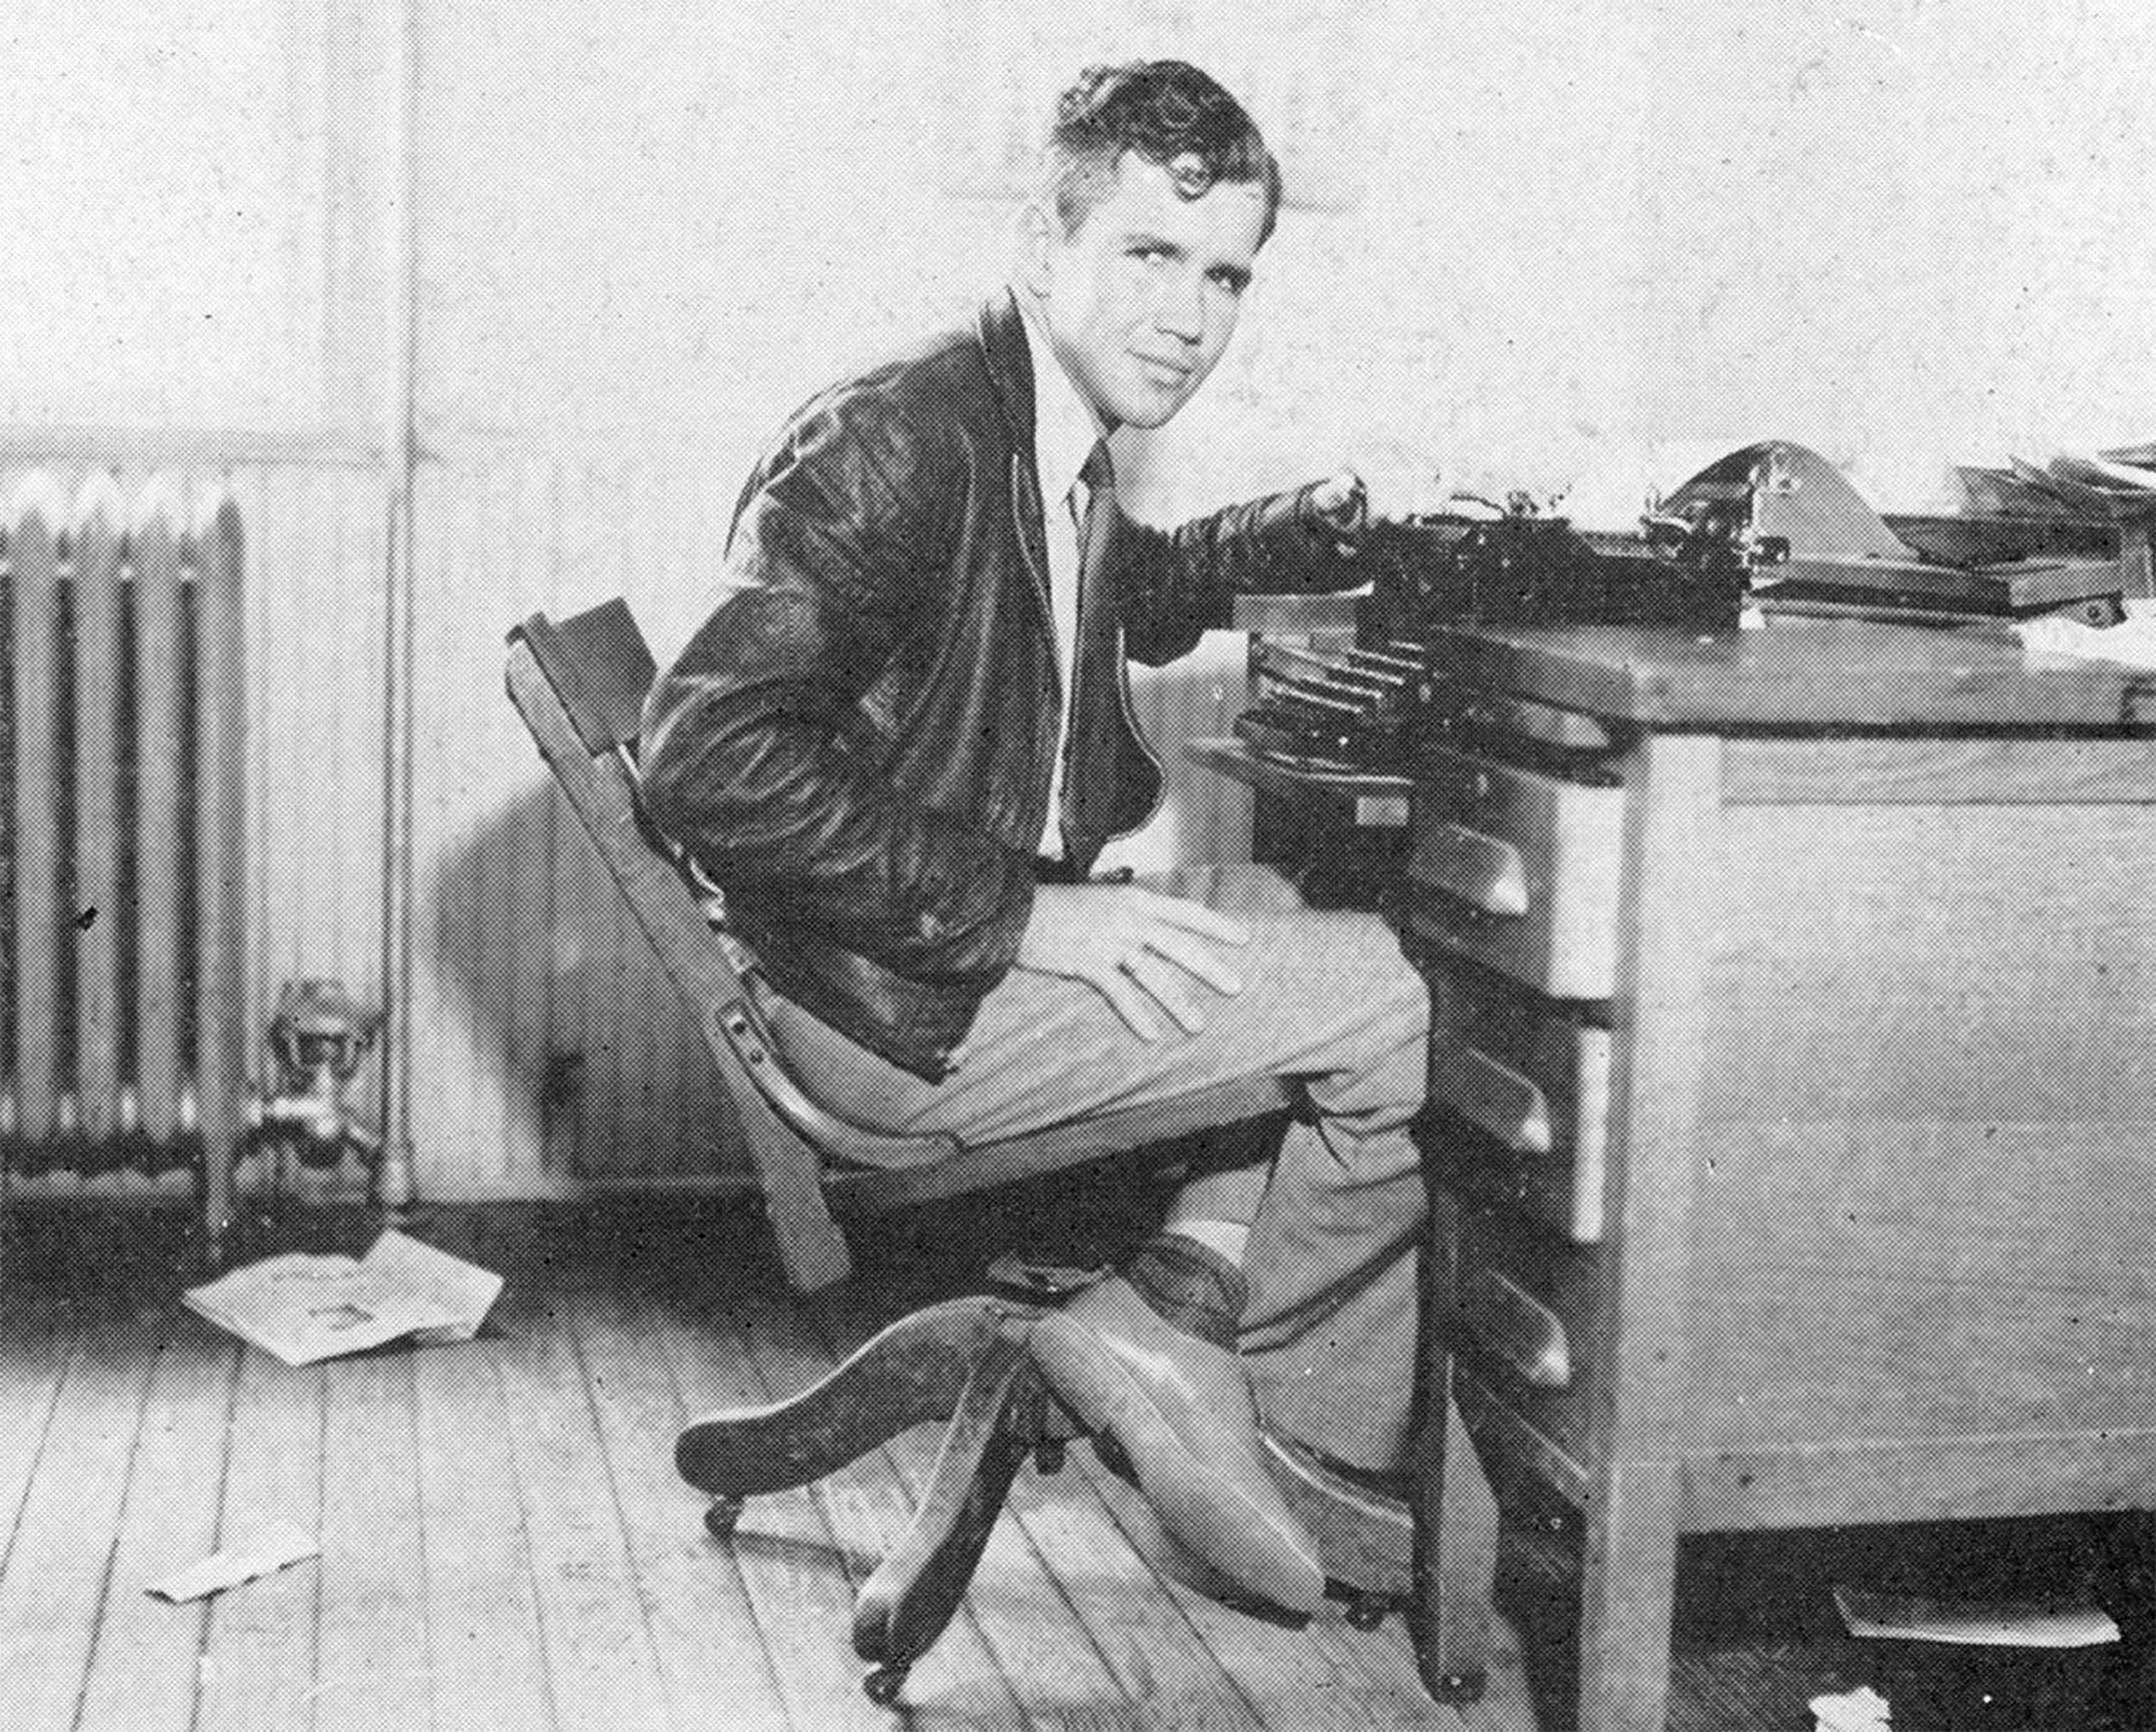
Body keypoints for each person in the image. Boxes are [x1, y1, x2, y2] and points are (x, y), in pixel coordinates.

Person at [638, 59, 1430, 1618]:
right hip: (895, 1008)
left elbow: (1072, 596)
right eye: (1149, 256)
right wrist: (1028, 918)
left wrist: (1268, 541)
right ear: (1042, 243)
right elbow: (706, 749)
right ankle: (1289, 1445)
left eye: (1224, 276)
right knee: (1401, 1003)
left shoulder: (1033, 421)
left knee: (1269, 890)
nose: (1192, 316)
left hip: (895, 964)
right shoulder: (904, 435)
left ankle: (1175, 1317)